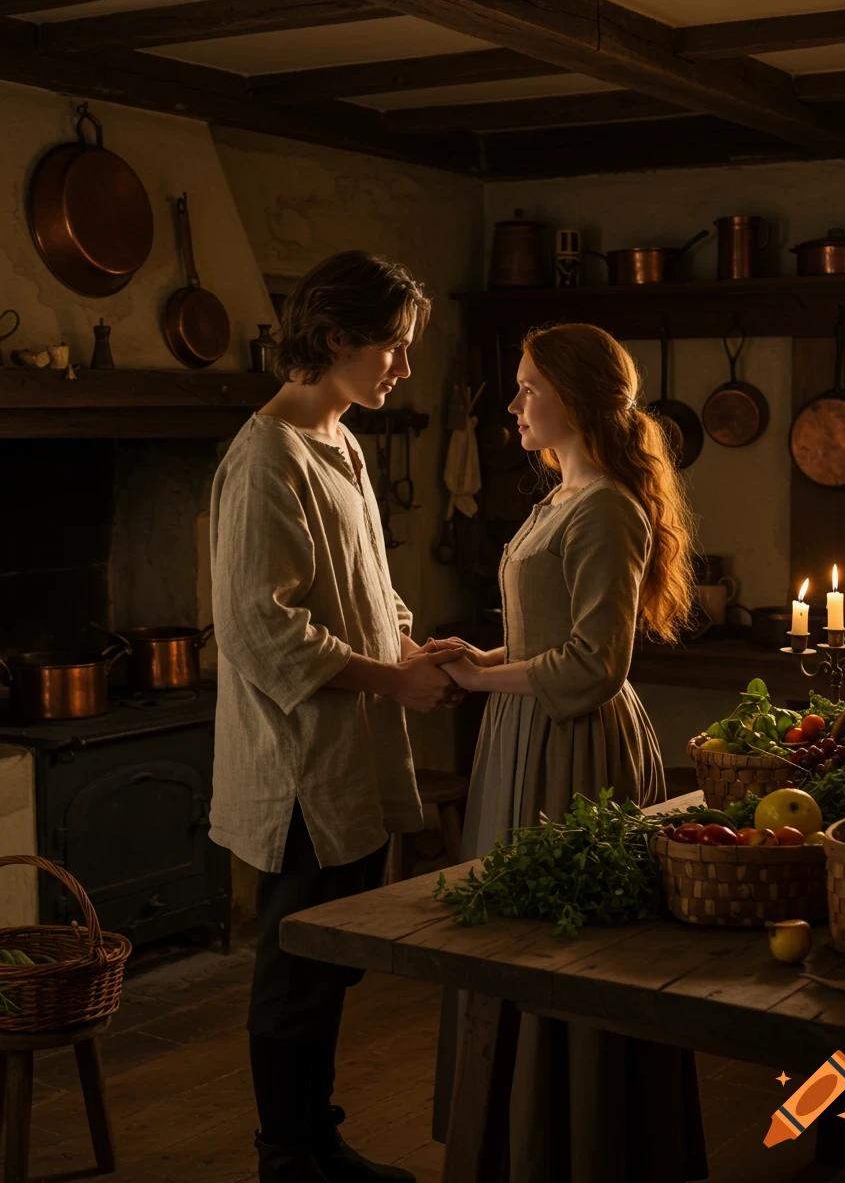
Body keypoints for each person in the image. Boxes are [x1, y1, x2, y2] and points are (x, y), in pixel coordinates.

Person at [426, 322, 708, 1183]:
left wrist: (481, 686)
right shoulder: (557, 497)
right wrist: (484, 661)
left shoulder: (610, 509)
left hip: (575, 747)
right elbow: (548, 638)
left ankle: (583, 1140)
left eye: (527, 388)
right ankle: (516, 1135)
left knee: (564, 947)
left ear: (575, 400)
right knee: (511, 933)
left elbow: (595, 664)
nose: (512, 403)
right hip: (526, 732)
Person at [208, 251, 464, 1183]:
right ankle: (287, 1158)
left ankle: (318, 1140)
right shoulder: (265, 457)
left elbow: (366, 587)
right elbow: (255, 626)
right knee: (292, 972)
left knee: (326, 966)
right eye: (392, 346)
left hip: (348, 748)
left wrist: (407, 648)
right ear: (332, 338)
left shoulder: (345, 442)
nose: (402, 365)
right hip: (298, 768)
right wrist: (389, 683)